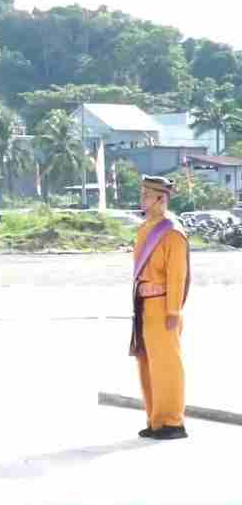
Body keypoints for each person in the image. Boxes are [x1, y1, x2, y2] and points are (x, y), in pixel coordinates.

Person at [130, 176, 190, 440]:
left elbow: (178, 275)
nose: (142, 199)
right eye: (142, 194)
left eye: (146, 195)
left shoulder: (172, 232)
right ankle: (155, 420)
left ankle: (172, 421)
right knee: (147, 363)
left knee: (166, 364)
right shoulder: (145, 229)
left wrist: (173, 312)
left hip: (164, 306)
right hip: (144, 305)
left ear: (160, 199)